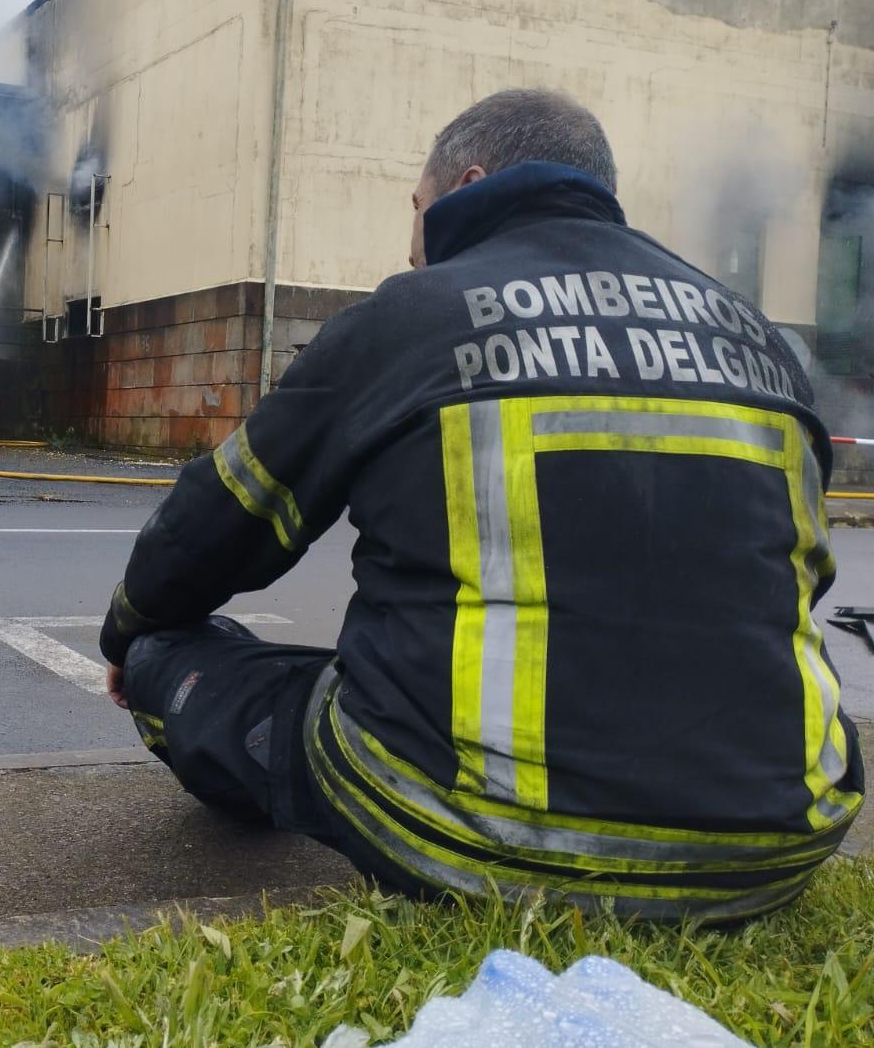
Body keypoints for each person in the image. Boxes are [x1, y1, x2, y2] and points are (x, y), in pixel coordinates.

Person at [99, 89, 864, 922]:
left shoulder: (407, 318)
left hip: (479, 838)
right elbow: (783, 589)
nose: (410, 239)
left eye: (417, 208)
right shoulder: (758, 340)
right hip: (771, 849)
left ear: (467, 184)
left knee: (175, 657)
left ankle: (191, 700)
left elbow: (217, 525)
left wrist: (130, 632)